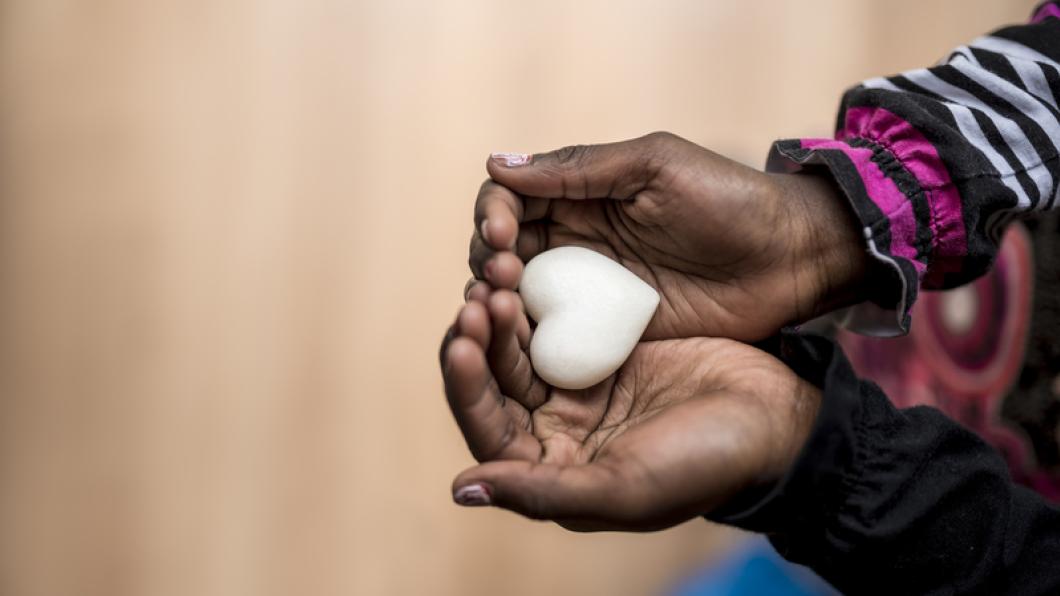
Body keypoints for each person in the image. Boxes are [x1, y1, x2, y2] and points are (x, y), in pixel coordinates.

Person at [440, 3, 1060, 594]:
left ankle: (790, 336)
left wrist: (816, 458)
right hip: (934, 316)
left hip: (919, 525)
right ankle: (800, 296)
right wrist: (831, 226)